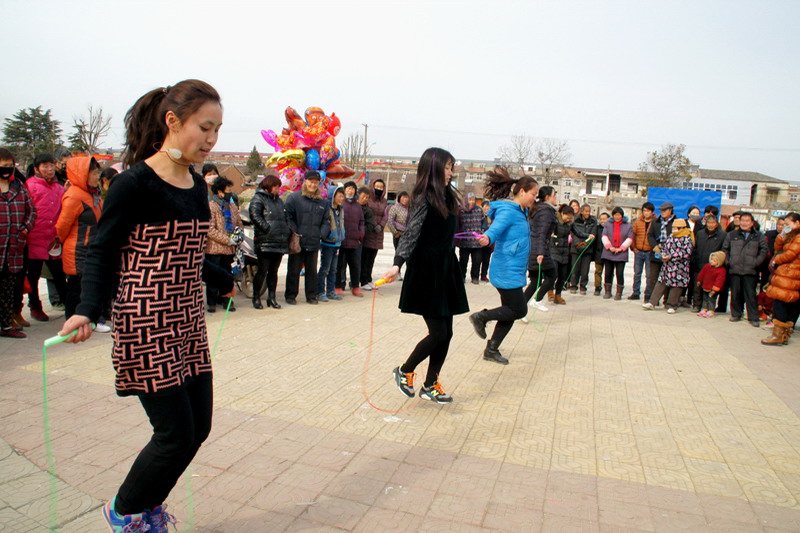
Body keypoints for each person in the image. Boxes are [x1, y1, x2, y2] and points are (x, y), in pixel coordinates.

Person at [58, 79, 233, 532]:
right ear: (173, 121)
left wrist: (220, 279)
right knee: (174, 435)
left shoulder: (195, 185)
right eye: (204, 127)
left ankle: (148, 506)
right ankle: (124, 513)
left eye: (217, 129)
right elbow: (102, 250)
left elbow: (184, 251)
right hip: (147, 322)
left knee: (198, 429)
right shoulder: (133, 183)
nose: (211, 139)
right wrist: (87, 308)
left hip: (188, 322)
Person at [385, 148, 468, 403]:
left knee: (448, 332)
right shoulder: (423, 197)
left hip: (446, 268)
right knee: (438, 332)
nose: (450, 172)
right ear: (434, 168)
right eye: (447, 167)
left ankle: (431, 384)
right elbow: (411, 233)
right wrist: (398, 264)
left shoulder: (448, 196)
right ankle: (405, 370)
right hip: (426, 270)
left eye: (452, 167)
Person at [469, 168, 537, 365]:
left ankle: (491, 349)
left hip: (513, 268)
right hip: (506, 268)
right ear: (522, 191)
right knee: (519, 310)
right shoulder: (509, 211)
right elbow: (496, 229)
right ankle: (481, 317)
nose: (535, 198)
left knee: (511, 311)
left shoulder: (521, 212)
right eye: (533, 194)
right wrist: (487, 237)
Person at [55, 156, 112, 332]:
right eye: (93, 173)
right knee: (76, 287)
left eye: (97, 173)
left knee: (90, 285)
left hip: (91, 247)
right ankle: (72, 322)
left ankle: (93, 320)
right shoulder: (74, 195)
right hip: (77, 249)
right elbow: (62, 226)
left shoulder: (92, 194)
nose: (97, 177)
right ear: (81, 175)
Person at [25, 152, 67, 322]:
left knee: (59, 275)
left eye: (51, 165)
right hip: (34, 239)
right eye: (45, 166)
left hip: (53, 239)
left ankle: (69, 305)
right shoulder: (29, 186)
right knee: (33, 276)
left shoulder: (59, 188)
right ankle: (35, 306)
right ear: (37, 169)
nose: (50, 169)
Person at [0, 151, 35, 338]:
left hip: (13, 248)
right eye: (3, 165)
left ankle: (6, 325)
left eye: (9, 165)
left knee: (8, 290)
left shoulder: (19, 187)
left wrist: (25, 229)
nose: (6, 169)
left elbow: (32, 211)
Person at [284, 171, 329, 305]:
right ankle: (291, 295)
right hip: (297, 241)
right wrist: (295, 232)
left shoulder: (323, 202)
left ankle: (311, 296)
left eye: (316, 182)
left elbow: (327, 221)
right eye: (311, 181)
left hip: (314, 240)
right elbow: (288, 217)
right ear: (305, 182)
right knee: (294, 270)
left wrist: (321, 234)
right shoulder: (294, 198)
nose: (313, 185)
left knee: (311, 271)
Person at [249, 174, 289, 309]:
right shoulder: (258, 198)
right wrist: (267, 229)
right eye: (276, 187)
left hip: (279, 240)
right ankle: (256, 297)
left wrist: (287, 230)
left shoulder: (279, 201)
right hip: (265, 241)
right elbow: (255, 216)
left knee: (274, 271)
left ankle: (272, 297)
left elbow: (285, 217)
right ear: (268, 186)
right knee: (262, 271)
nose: (278, 190)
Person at [722, 212, 767, 327]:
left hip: (751, 270)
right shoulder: (732, 234)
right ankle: (736, 314)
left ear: (752, 223)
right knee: (735, 293)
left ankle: (753, 317)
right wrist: (729, 262)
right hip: (735, 268)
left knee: (750, 294)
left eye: (747, 221)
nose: (744, 223)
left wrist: (756, 262)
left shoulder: (758, 236)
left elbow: (763, 251)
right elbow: (725, 249)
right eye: (743, 220)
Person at [206, 176, 243, 313]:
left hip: (230, 250)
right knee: (213, 278)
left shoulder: (232, 206)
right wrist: (226, 240)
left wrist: (238, 235)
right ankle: (211, 302)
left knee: (228, 277)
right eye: (228, 191)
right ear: (220, 192)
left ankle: (227, 301)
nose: (230, 194)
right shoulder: (211, 206)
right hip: (215, 249)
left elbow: (239, 223)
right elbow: (210, 229)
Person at [763, 212, 800, 345]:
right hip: (787, 273)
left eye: (788, 224)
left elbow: (790, 254)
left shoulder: (798, 237)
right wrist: (781, 236)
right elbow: (778, 248)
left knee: (781, 302)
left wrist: (776, 260)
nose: (786, 227)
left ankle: (778, 334)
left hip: (792, 273)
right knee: (785, 302)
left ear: (797, 223)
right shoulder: (791, 235)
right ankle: (783, 334)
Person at [643, 218, 695, 313]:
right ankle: (652, 302)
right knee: (661, 282)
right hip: (667, 265)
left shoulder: (687, 239)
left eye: (675, 227)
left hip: (680, 267)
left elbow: (686, 253)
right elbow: (665, 248)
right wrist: (663, 255)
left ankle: (671, 305)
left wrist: (671, 256)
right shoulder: (671, 236)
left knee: (676, 286)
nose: (673, 229)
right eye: (673, 227)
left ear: (681, 228)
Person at [525, 186, 558, 312]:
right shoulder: (546, 211)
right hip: (539, 249)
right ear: (548, 197)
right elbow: (541, 233)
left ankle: (521, 308)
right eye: (554, 195)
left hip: (534, 247)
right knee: (552, 275)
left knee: (535, 281)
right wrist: (540, 252)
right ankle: (537, 300)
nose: (555, 198)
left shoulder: (538, 208)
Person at [691, 215, 725, 312]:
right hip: (699, 264)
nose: (711, 225)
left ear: (716, 223)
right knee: (697, 286)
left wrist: (718, 262)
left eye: (713, 223)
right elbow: (695, 247)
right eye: (709, 223)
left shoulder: (722, 235)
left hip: (713, 266)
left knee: (710, 288)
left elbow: (723, 250)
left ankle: (709, 307)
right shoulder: (700, 233)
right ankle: (696, 305)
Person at [336, 180, 364, 297]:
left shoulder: (358, 206)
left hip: (354, 240)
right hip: (341, 240)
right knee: (340, 265)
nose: (350, 190)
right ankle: (338, 286)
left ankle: (355, 287)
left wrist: (361, 234)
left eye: (352, 188)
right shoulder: (340, 203)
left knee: (355, 265)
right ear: (344, 190)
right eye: (348, 188)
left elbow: (361, 221)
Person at [317, 184, 345, 302]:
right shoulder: (327, 208)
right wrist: (326, 235)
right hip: (327, 244)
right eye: (339, 196)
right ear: (333, 196)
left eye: (343, 196)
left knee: (333, 270)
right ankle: (320, 292)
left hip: (337, 244)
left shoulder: (341, 209)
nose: (342, 198)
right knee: (325, 269)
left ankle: (330, 291)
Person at [600, 207, 634, 300]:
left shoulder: (628, 226)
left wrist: (621, 248)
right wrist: (609, 246)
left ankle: (619, 293)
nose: (617, 217)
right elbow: (604, 236)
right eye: (615, 215)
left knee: (619, 273)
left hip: (621, 253)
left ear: (622, 216)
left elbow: (630, 238)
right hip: (608, 252)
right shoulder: (608, 224)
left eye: (619, 215)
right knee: (608, 272)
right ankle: (608, 291)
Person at [360, 179, 388, 290]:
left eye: (381, 187)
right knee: (365, 257)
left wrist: (381, 225)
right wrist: (374, 224)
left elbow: (386, 215)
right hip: (368, 232)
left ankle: (368, 279)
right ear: (372, 186)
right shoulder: (369, 199)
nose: (379, 189)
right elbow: (366, 213)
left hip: (378, 234)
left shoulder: (384, 201)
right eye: (377, 186)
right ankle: (363, 280)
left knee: (372, 258)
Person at [646, 202, 676, 305]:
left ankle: (667, 300)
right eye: (661, 210)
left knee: (668, 278)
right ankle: (653, 300)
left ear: (670, 210)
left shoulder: (676, 222)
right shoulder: (655, 222)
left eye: (665, 210)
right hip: (656, 253)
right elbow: (650, 235)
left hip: (670, 254)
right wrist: (655, 246)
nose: (662, 212)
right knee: (653, 277)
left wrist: (667, 246)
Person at [456, 192, 485, 284]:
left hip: (477, 242)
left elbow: (483, 222)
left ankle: (475, 277)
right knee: (463, 261)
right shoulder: (461, 211)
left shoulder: (479, 210)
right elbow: (457, 224)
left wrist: (482, 231)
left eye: (473, 200)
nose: (471, 202)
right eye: (469, 200)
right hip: (464, 241)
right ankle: (461, 277)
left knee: (477, 261)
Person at [629, 202, 655, 300]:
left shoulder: (655, 222)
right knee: (637, 273)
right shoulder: (638, 222)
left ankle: (648, 295)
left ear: (652, 212)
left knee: (649, 275)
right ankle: (635, 293)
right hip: (639, 251)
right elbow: (633, 235)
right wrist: (633, 247)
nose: (646, 213)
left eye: (648, 211)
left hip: (649, 252)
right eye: (644, 211)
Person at [569, 204, 596, 294]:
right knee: (575, 268)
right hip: (576, 248)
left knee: (585, 270)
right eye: (586, 211)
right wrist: (578, 244)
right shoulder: (575, 220)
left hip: (587, 249)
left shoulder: (593, 221)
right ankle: (573, 285)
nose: (588, 213)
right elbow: (574, 233)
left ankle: (583, 286)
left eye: (589, 211)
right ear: (581, 211)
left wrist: (586, 244)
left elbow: (593, 235)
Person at [548, 205, 573, 305]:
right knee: (554, 274)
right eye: (567, 217)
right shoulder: (555, 221)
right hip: (554, 250)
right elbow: (548, 229)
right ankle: (550, 291)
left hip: (564, 252)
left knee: (562, 276)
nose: (569, 219)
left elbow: (577, 232)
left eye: (571, 217)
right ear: (562, 214)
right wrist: (550, 234)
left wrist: (588, 236)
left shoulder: (570, 224)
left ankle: (558, 295)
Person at [695, 251, 727, 318]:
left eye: (714, 260)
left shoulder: (721, 270)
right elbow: (702, 273)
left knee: (711, 300)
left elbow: (719, 281)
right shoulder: (707, 266)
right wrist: (699, 280)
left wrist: (715, 289)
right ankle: (704, 309)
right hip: (705, 286)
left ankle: (711, 311)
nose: (712, 261)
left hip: (713, 289)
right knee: (705, 299)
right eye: (711, 259)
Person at [386, 191, 409, 280]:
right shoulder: (394, 208)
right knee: (399, 254)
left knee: (409, 255)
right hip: (398, 235)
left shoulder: (410, 208)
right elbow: (390, 221)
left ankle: (408, 273)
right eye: (403, 197)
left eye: (406, 197)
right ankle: (397, 272)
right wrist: (395, 233)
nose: (405, 199)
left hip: (408, 236)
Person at [592, 212, 609, 295]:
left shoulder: (611, 228)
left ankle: (608, 288)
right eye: (601, 219)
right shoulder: (597, 228)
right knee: (598, 271)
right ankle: (597, 287)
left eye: (604, 219)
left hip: (609, 254)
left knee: (608, 273)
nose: (602, 221)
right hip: (598, 253)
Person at [478, 201, 493, 283]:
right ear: (482, 207)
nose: (487, 208)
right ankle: (475, 275)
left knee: (486, 260)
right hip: (480, 240)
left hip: (489, 241)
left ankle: (484, 275)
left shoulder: (492, 216)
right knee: (478, 259)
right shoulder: (479, 215)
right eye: (486, 206)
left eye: (488, 206)